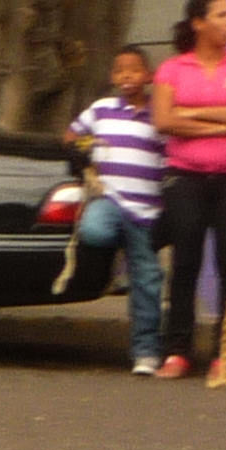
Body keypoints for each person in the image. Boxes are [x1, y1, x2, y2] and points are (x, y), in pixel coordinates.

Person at [149, 0, 226, 384]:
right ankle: (177, 350)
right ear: (199, 22)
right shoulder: (172, 69)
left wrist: (195, 113)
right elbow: (164, 121)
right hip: (185, 176)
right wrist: (223, 124)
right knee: (185, 262)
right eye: (222, 14)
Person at [62, 43, 167, 376]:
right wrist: (84, 150)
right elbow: (71, 136)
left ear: (148, 76)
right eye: (120, 70)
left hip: (147, 211)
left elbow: (169, 156)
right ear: (112, 76)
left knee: (148, 280)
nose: (127, 76)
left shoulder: (159, 115)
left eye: (134, 70)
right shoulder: (102, 109)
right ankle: (113, 267)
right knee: (94, 230)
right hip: (110, 199)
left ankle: (146, 350)